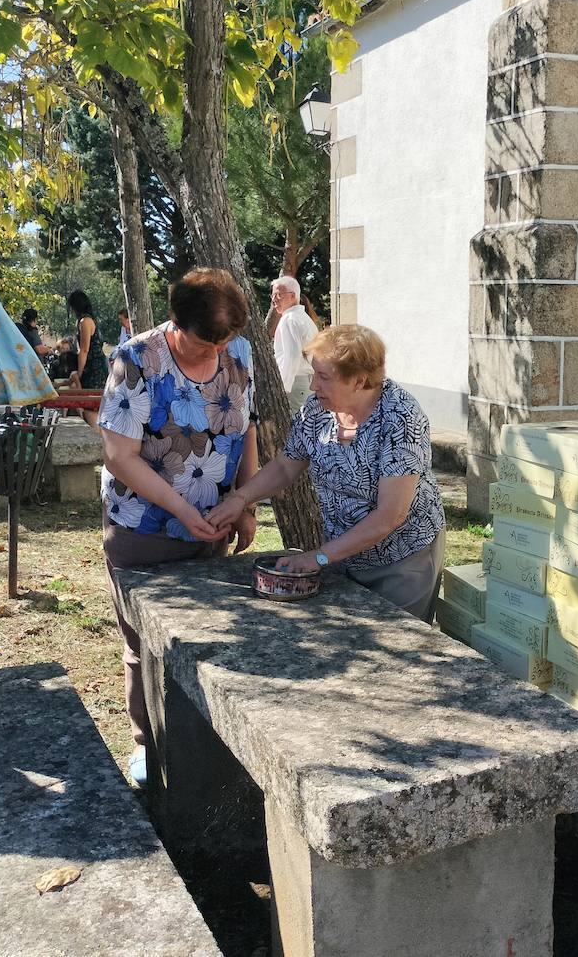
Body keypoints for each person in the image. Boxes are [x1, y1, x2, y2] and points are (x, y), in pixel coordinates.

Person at [97, 268, 259, 787]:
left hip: (212, 527)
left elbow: (247, 426)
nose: (214, 351)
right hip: (144, 529)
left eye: (223, 340)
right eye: (202, 340)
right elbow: (121, 457)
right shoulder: (137, 360)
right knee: (143, 643)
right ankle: (148, 746)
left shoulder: (241, 355)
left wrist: (244, 500)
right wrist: (180, 510)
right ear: (174, 321)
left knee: (206, 643)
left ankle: (201, 744)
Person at [209, 325, 446, 622]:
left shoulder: (401, 418)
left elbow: (391, 515)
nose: (312, 387)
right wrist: (240, 498)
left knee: (397, 643)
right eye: (313, 375)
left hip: (402, 557)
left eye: (323, 377)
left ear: (359, 381)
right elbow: (286, 466)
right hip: (342, 551)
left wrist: (319, 557)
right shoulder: (318, 409)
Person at [270, 276, 319, 408]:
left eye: (279, 295)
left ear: (292, 296)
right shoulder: (304, 318)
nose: (274, 299)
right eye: (273, 295)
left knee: (296, 424)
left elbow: (292, 356)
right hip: (305, 382)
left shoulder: (289, 319)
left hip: (294, 384)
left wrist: (283, 387)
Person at [67, 289, 108, 429]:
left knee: (91, 406)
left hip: (93, 368)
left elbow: (84, 350)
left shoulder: (85, 321)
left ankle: (98, 440)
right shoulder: (90, 319)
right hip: (96, 365)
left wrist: (79, 373)